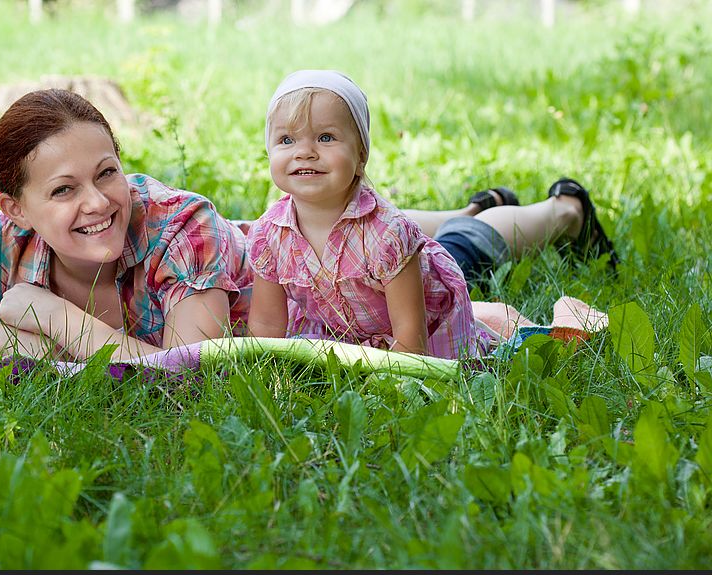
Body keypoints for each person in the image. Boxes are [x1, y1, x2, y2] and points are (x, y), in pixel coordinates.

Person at [0, 89, 252, 362]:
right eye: (64, 190)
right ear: (17, 210)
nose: (98, 202)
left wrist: (52, 320)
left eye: (107, 173)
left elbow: (195, 377)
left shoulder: (184, 229)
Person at [246, 70, 617, 359]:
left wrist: (393, 385)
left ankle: (569, 320)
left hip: (427, 328)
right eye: (286, 140)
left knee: (508, 359)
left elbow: (412, 339)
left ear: (360, 157)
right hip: (350, 336)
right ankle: (486, 217)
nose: (305, 152)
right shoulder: (269, 234)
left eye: (326, 138)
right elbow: (265, 323)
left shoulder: (388, 234)